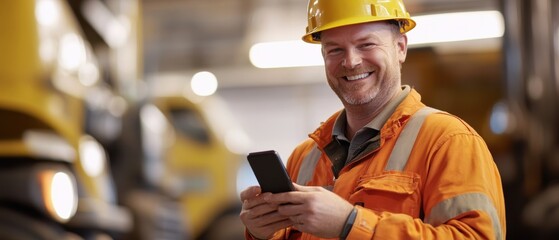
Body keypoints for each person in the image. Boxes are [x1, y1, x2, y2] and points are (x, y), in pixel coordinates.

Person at [239, 0, 506, 239]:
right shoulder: (304, 158)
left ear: (400, 48)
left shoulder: (448, 141)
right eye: (334, 50)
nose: (351, 61)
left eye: (366, 44)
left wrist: (351, 223)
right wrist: (261, 233)